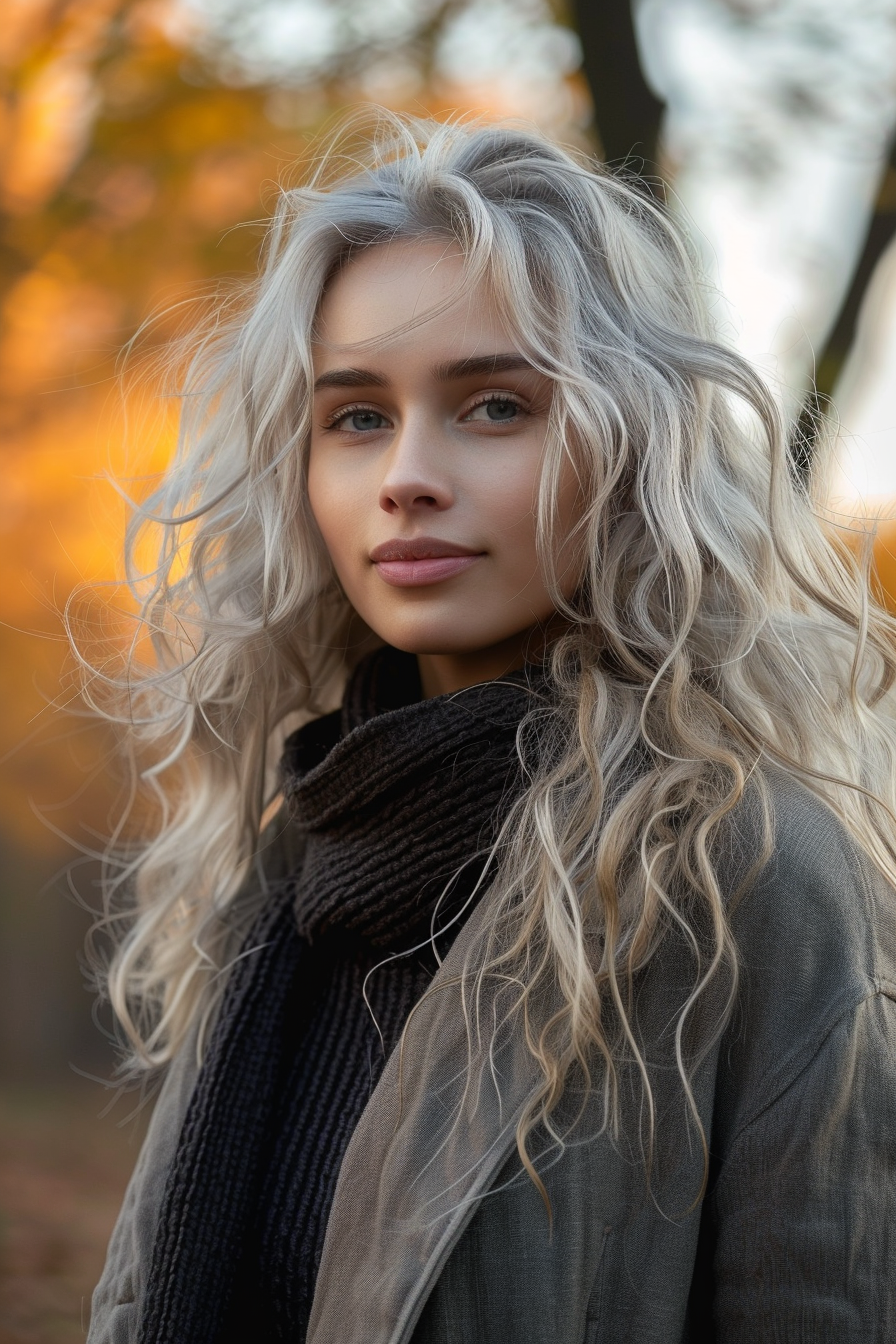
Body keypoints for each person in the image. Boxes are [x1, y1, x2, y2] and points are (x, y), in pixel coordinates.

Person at [84, 114, 896, 1343]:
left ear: (629, 444)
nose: (405, 473)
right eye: (355, 417)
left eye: (493, 406)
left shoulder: (749, 874)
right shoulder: (295, 857)